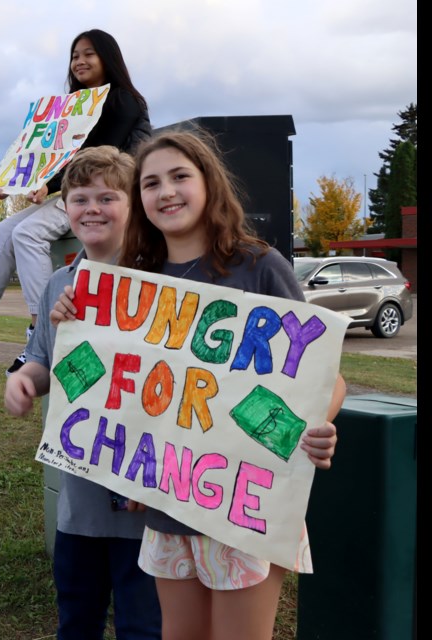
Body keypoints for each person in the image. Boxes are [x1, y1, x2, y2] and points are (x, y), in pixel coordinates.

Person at [52, 130, 345, 640]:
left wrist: (318, 424)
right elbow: (119, 388)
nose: (166, 191)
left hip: (244, 507)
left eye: (180, 176)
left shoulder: (257, 266)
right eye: (151, 183)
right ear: (139, 199)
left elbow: (323, 375)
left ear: (209, 182)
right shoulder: (133, 278)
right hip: (168, 506)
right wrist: (72, 321)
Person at [0, 28, 152, 376]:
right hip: (71, 191)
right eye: (75, 55)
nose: (79, 61)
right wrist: (13, 183)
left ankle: (39, 331)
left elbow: (94, 160)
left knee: (27, 233)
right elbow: (50, 153)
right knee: (2, 231)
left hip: (101, 193)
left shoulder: (121, 101)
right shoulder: (72, 109)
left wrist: (48, 185)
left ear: (109, 58)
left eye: (89, 53)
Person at [4, 146, 162, 640]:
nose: (92, 208)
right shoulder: (58, 284)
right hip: (80, 498)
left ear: (132, 205)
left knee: (143, 627)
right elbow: (42, 361)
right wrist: (24, 380)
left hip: (147, 499)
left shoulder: (163, 281)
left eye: (107, 197)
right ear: (65, 209)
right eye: (79, 198)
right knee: (77, 620)